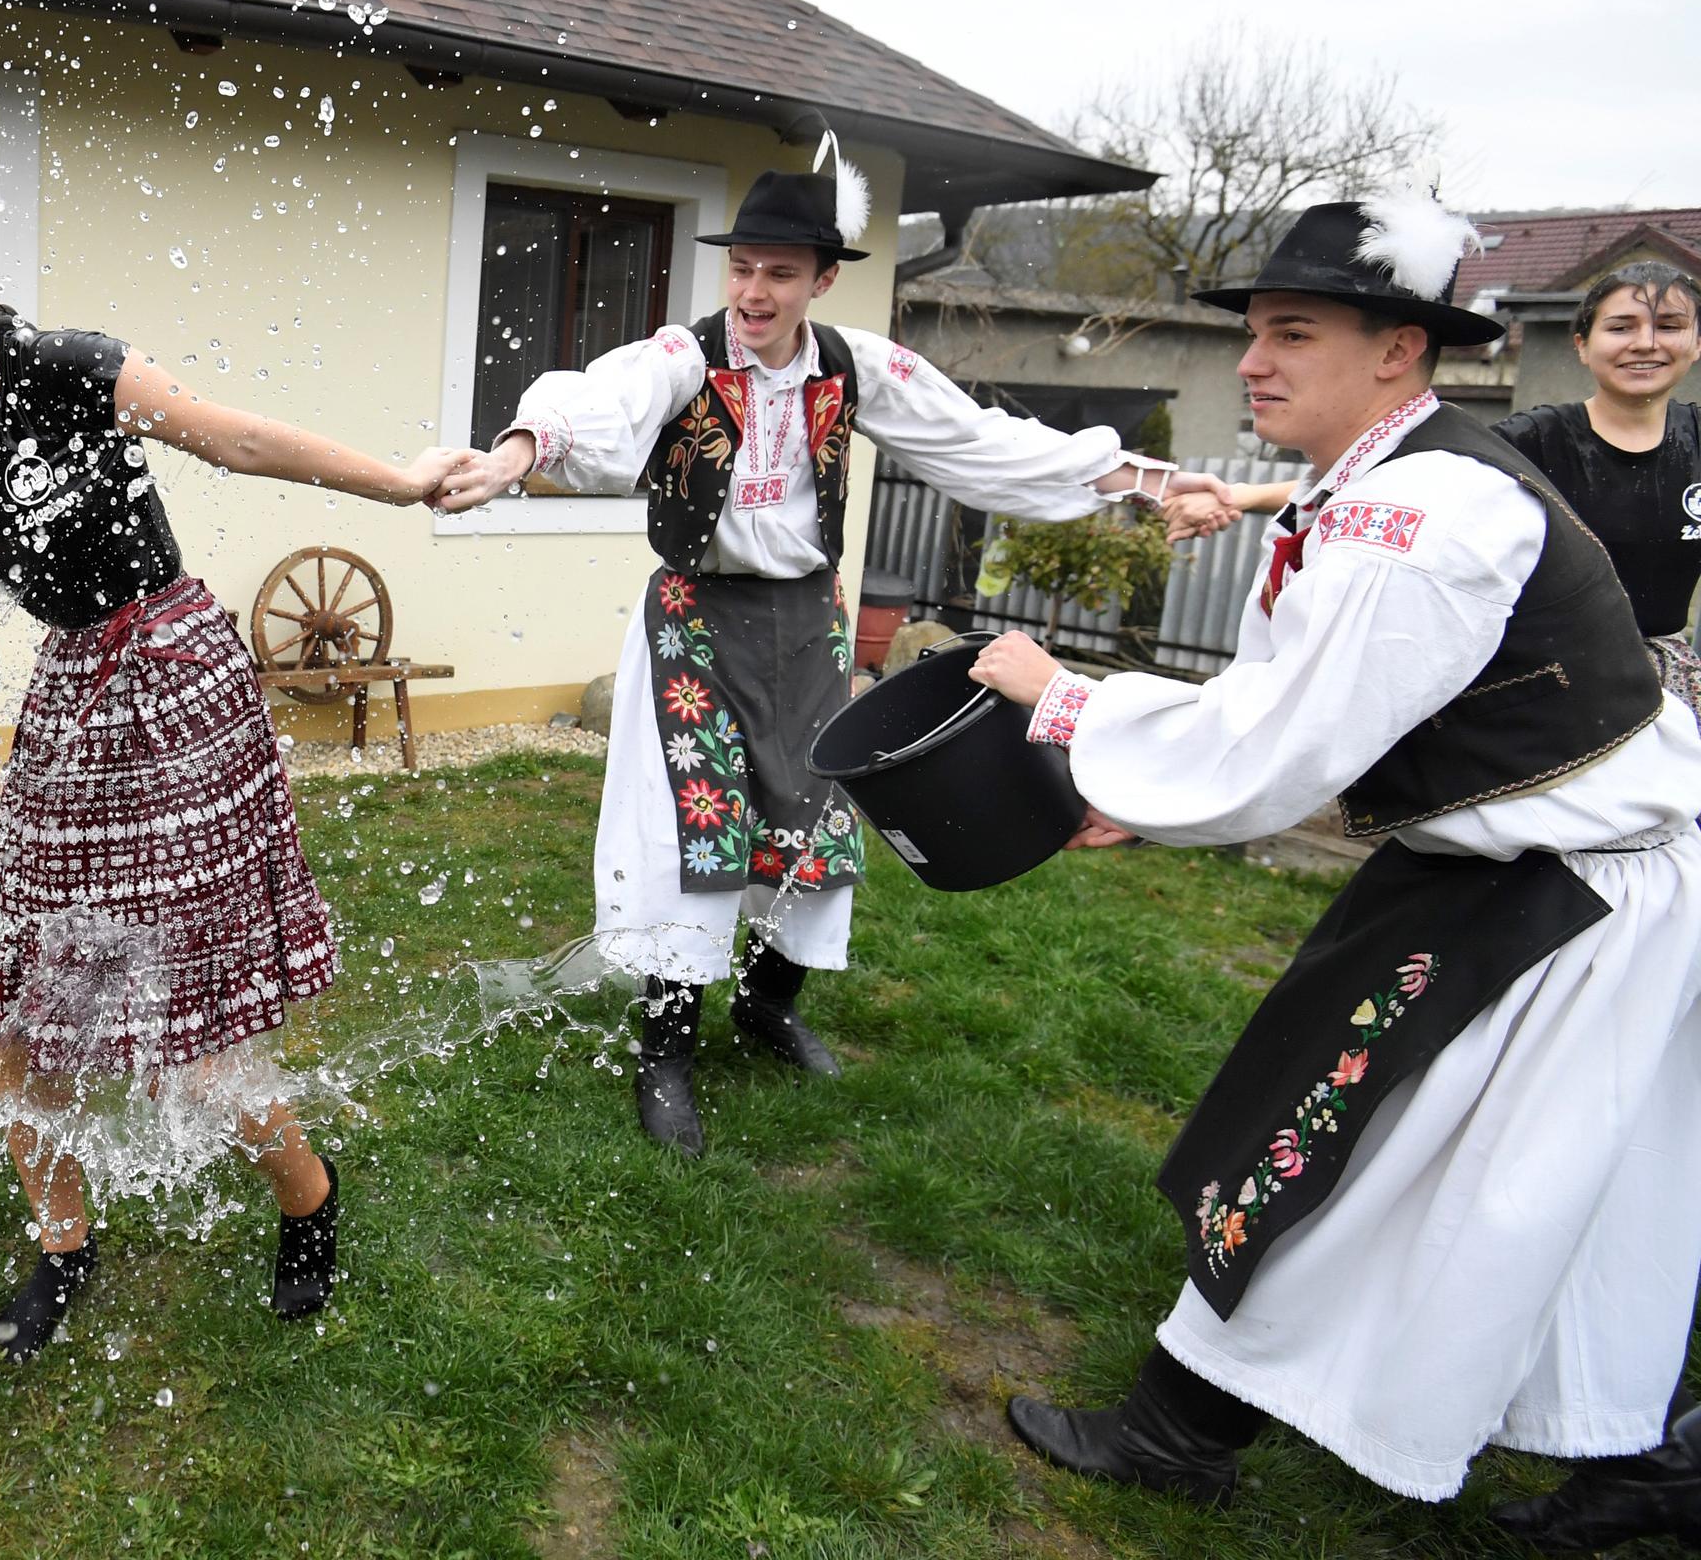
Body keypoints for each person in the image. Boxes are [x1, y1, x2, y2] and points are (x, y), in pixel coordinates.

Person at [971, 197, 1701, 1523]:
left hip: (1568, 901)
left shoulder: (1423, 517)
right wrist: (1154, 788)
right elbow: (1304, 708)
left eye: (1292, 333)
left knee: (1363, 1158)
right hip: (1537, 878)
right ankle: (1632, 1459)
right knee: (1509, 1181)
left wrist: (1064, 702)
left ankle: (1183, 1435)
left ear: (1397, 350)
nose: (1255, 361)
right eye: (1253, 332)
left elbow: (1269, 745)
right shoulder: (1389, 481)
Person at [432, 141, 1212, 1153]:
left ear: (823, 279)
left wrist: (1149, 484)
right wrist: (515, 455)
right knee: (694, 836)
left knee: (816, 826)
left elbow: (981, 442)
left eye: (780, 273)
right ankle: (665, 1054)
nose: (755, 291)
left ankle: (766, 1005)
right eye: (743, 266)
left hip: (806, 626)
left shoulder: (857, 365)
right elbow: (597, 399)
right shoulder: (685, 357)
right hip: (696, 620)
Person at [0, 226, 458, 1361]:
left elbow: (243, 442)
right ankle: (64, 1246)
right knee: (23, 1026)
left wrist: (403, 487)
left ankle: (309, 1202)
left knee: (191, 1042)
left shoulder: (67, 368)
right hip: (73, 697)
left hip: (176, 672)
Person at [1167, 263, 1701, 714]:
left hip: (1672, 683)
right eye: (1622, 327)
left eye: (1670, 326)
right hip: (1559, 686)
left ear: (1696, 342)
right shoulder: (1534, 441)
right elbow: (1393, 483)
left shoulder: (1696, 436)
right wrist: (1241, 495)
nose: (1646, 344)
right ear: (1582, 345)